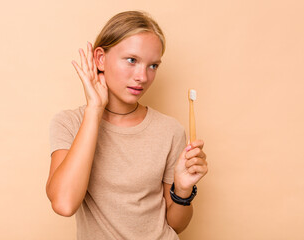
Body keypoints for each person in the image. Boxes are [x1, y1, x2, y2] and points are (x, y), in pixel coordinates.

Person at [46, 10, 208, 240]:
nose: (142, 76)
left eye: (153, 66)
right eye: (132, 60)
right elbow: (64, 203)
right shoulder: (69, 123)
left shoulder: (170, 130)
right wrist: (94, 109)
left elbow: (176, 225)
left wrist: (183, 190)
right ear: (100, 58)